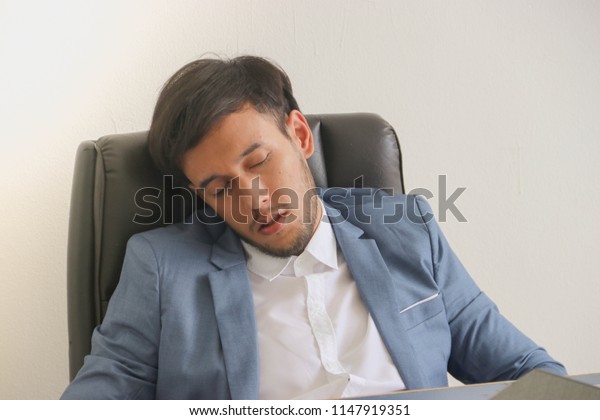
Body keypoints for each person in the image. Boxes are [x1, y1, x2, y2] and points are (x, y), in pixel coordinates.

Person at [62, 55, 565, 400]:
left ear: (300, 135)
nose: (254, 201)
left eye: (259, 162)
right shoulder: (162, 266)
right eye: (220, 188)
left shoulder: (409, 231)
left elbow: (528, 373)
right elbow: (102, 394)